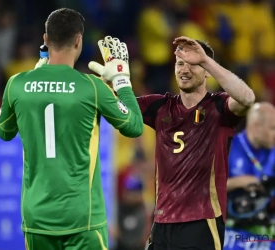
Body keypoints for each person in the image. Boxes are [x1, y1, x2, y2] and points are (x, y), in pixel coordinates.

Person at [89, 36, 255, 249]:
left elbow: (247, 98)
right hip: (161, 223)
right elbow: (114, 108)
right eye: (180, 63)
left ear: (206, 71)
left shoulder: (219, 108)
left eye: (193, 64)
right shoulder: (160, 107)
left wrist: (205, 60)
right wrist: (115, 82)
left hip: (201, 222)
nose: (184, 69)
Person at [0, 8, 143, 250]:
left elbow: (4, 132)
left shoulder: (16, 84)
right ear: (79, 40)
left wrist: (35, 79)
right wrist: (121, 82)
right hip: (82, 218)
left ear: (45, 40)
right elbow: (135, 126)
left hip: (37, 217)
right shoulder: (93, 87)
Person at [225, 102, 275, 249]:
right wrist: (238, 183)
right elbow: (203, 188)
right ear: (255, 125)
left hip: (267, 234)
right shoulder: (227, 148)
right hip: (232, 233)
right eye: (272, 128)